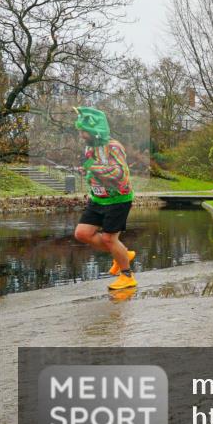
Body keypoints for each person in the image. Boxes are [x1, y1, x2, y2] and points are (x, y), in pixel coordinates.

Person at [71, 107, 137, 291]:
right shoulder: (90, 147)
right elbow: (95, 169)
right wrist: (86, 170)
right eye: (80, 131)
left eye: (84, 131)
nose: (81, 135)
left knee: (109, 238)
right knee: (82, 233)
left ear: (95, 130)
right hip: (98, 198)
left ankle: (127, 276)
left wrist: (92, 167)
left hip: (118, 199)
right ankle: (123, 254)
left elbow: (119, 173)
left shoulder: (114, 147)